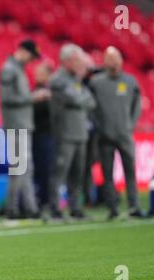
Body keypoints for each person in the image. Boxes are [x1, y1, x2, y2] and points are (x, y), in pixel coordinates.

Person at [89, 46, 143, 219]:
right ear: (104, 61)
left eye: (115, 58)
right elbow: (90, 108)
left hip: (125, 135)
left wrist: (130, 125)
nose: (112, 61)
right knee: (107, 174)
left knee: (130, 172)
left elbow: (137, 105)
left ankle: (134, 206)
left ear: (121, 60)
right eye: (109, 58)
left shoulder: (130, 82)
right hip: (104, 136)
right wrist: (98, 126)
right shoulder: (96, 83)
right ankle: (112, 207)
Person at [0, 39, 49, 219]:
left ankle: (31, 208)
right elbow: (7, 98)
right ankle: (11, 208)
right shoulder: (9, 69)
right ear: (23, 51)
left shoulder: (16, 69)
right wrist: (32, 97)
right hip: (16, 124)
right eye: (31, 56)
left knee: (26, 168)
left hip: (22, 124)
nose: (31, 60)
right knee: (20, 168)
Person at [48, 44, 96, 220]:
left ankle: (76, 208)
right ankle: (55, 208)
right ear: (66, 60)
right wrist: (81, 98)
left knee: (78, 173)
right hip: (65, 133)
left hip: (80, 133)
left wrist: (80, 97)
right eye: (77, 59)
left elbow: (91, 102)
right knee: (60, 172)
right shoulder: (57, 80)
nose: (80, 63)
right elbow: (75, 99)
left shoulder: (76, 80)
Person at [32, 62, 54, 212]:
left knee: (47, 169)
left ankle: (47, 199)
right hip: (37, 135)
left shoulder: (50, 92)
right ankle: (42, 199)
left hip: (47, 135)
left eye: (40, 72)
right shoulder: (35, 92)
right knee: (40, 169)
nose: (37, 75)